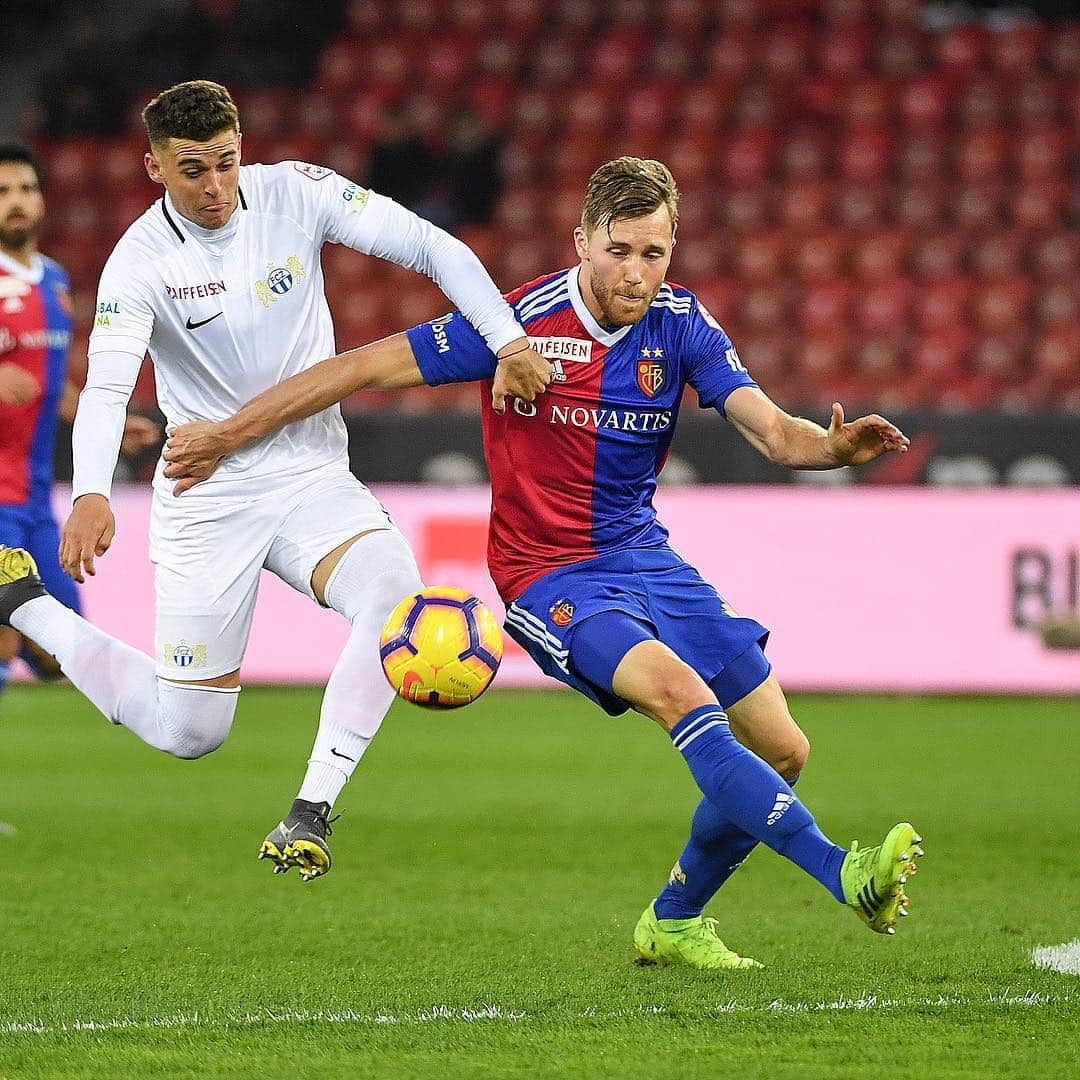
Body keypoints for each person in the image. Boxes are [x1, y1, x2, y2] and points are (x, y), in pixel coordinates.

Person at [148, 156, 926, 969]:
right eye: (619, 250)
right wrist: (228, 434)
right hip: (548, 575)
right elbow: (358, 368)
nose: (635, 273)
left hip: (647, 560)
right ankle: (843, 872)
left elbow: (773, 430)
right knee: (680, 695)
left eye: (654, 254)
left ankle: (675, 918)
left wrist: (832, 448)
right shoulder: (513, 325)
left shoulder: (683, 325)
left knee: (783, 748)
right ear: (583, 241)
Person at [0, 80, 551, 882]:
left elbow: (434, 247)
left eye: (227, 163)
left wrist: (506, 340)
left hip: (309, 473)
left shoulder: (296, 192)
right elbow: (110, 386)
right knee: (187, 732)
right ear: (154, 167)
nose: (217, 187)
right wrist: (89, 490)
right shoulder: (139, 261)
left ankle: (312, 809)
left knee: (395, 594)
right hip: (206, 494)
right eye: (193, 171)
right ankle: (22, 606)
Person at [0, 143, 157, 704]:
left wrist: (103, 420)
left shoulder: (54, 280)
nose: (16, 202)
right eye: (3, 193)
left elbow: (46, 383)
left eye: (25, 189)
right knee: (7, 636)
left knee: (62, 651)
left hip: (39, 504)